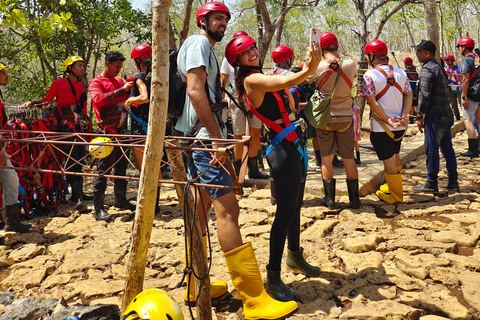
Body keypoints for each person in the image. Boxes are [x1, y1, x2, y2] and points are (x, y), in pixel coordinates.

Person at [175, 3, 297, 318]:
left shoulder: (200, 46)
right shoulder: (200, 43)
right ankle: (254, 298)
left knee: (199, 209)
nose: (223, 23)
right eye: (217, 18)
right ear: (202, 20)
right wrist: (217, 139)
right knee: (229, 212)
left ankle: (194, 282)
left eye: (226, 19)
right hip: (204, 140)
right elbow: (194, 91)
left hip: (198, 137)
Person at [225, 34, 322, 302]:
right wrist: (308, 69)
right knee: (285, 212)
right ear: (238, 61)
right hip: (282, 150)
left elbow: (291, 96)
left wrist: (304, 71)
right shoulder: (252, 80)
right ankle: (274, 275)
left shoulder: (264, 75)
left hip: (295, 143)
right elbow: (290, 81)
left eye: (254, 48)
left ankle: (295, 255)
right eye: (246, 53)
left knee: (295, 207)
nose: (253, 53)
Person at [27, 56, 92, 213]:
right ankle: (77, 196)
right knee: (71, 159)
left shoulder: (81, 85)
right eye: (79, 66)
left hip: (78, 126)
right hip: (65, 127)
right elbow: (48, 99)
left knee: (79, 157)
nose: (82, 68)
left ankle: (79, 193)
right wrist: (33, 103)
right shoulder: (58, 83)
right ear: (70, 68)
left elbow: (82, 108)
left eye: (83, 66)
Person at [307, 32, 360, 209]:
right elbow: (352, 80)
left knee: (326, 158)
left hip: (325, 118)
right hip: (346, 116)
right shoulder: (351, 64)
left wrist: (310, 59)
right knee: (348, 158)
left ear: (321, 48)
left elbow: (306, 79)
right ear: (336, 46)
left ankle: (330, 200)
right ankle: (354, 200)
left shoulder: (318, 66)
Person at [363, 40, 413, 205]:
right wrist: (404, 114)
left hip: (381, 127)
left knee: (389, 161)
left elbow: (371, 101)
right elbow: (408, 95)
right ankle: (392, 187)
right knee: (396, 156)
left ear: (372, 56)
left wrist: (386, 119)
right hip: (400, 126)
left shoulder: (369, 75)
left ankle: (397, 196)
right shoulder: (401, 73)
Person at [88, 51, 136, 222]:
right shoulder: (96, 82)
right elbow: (99, 99)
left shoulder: (119, 80)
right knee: (103, 170)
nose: (118, 70)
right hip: (107, 133)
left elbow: (128, 99)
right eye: (116, 66)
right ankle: (98, 208)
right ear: (107, 64)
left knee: (121, 168)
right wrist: (122, 89)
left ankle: (120, 199)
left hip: (122, 132)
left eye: (120, 67)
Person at [411, 40, 458, 192]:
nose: (416, 54)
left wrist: (419, 116)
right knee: (447, 147)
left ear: (427, 53)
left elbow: (424, 95)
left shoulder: (427, 70)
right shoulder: (439, 68)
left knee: (431, 148)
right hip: (446, 114)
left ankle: (432, 182)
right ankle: (453, 180)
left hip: (434, 116)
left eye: (419, 51)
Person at [220, 31, 268, 179]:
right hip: (236, 97)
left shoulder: (253, 59)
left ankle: (253, 169)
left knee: (255, 133)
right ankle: (238, 169)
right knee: (238, 135)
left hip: (252, 96)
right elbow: (222, 82)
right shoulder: (227, 60)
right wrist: (223, 104)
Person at [0, 63, 32, 232]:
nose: (5, 75)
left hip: (1, 148)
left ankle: (11, 222)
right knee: (11, 179)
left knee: (12, 180)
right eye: (3, 73)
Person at [457, 37, 480, 158]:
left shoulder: (466, 60)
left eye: (459, 47)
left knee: (468, 120)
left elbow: (465, 79)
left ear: (464, 47)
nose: (459, 49)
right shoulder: (477, 59)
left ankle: (473, 150)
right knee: (478, 118)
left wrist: (464, 97)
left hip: (470, 94)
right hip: (478, 93)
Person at [444, 54, 462, 121]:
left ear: (452, 60)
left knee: (461, 102)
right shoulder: (445, 69)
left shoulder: (458, 69)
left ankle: (465, 118)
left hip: (458, 87)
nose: (447, 62)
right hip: (449, 88)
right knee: (453, 103)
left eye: (448, 60)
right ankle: (457, 117)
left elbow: (462, 78)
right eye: (446, 60)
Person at [403, 57, 419, 123]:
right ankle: (419, 117)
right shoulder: (415, 72)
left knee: (410, 105)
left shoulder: (405, 72)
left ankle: (411, 120)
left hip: (409, 90)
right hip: (416, 90)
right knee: (416, 105)